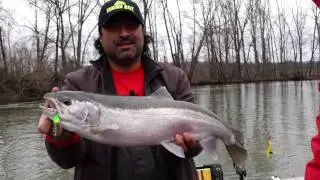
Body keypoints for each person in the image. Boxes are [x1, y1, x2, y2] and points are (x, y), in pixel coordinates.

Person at [37, 0, 203, 180]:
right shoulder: (78, 83)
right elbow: (67, 160)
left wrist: (193, 144)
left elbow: (196, 145)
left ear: (142, 31)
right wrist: (58, 133)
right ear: (100, 36)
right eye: (114, 27)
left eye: (131, 25)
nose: (124, 33)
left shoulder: (174, 77)